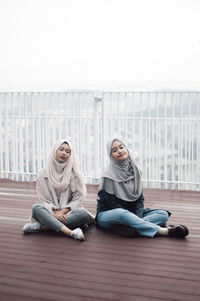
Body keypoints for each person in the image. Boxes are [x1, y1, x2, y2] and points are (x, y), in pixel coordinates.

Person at [96, 138, 189, 238]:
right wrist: (131, 217)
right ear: (111, 156)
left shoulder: (136, 170)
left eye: (121, 147)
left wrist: (136, 217)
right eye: (114, 150)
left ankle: (132, 228)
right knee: (121, 213)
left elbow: (139, 199)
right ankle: (165, 231)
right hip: (108, 215)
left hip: (131, 214)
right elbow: (111, 204)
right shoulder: (108, 176)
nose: (119, 151)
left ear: (126, 149)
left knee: (163, 214)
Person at [23, 139, 95, 241]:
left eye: (67, 151)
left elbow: (77, 199)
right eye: (61, 149)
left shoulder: (74, 174)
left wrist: (62, 212)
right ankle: (70, 232)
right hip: (49, 211)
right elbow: (44, 199)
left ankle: (41, 226)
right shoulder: (43, 173)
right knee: (36, 208)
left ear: (71, 155)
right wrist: (55, 213)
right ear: (55, 151)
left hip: (68, 213)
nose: (64, 153)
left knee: (83, 214)